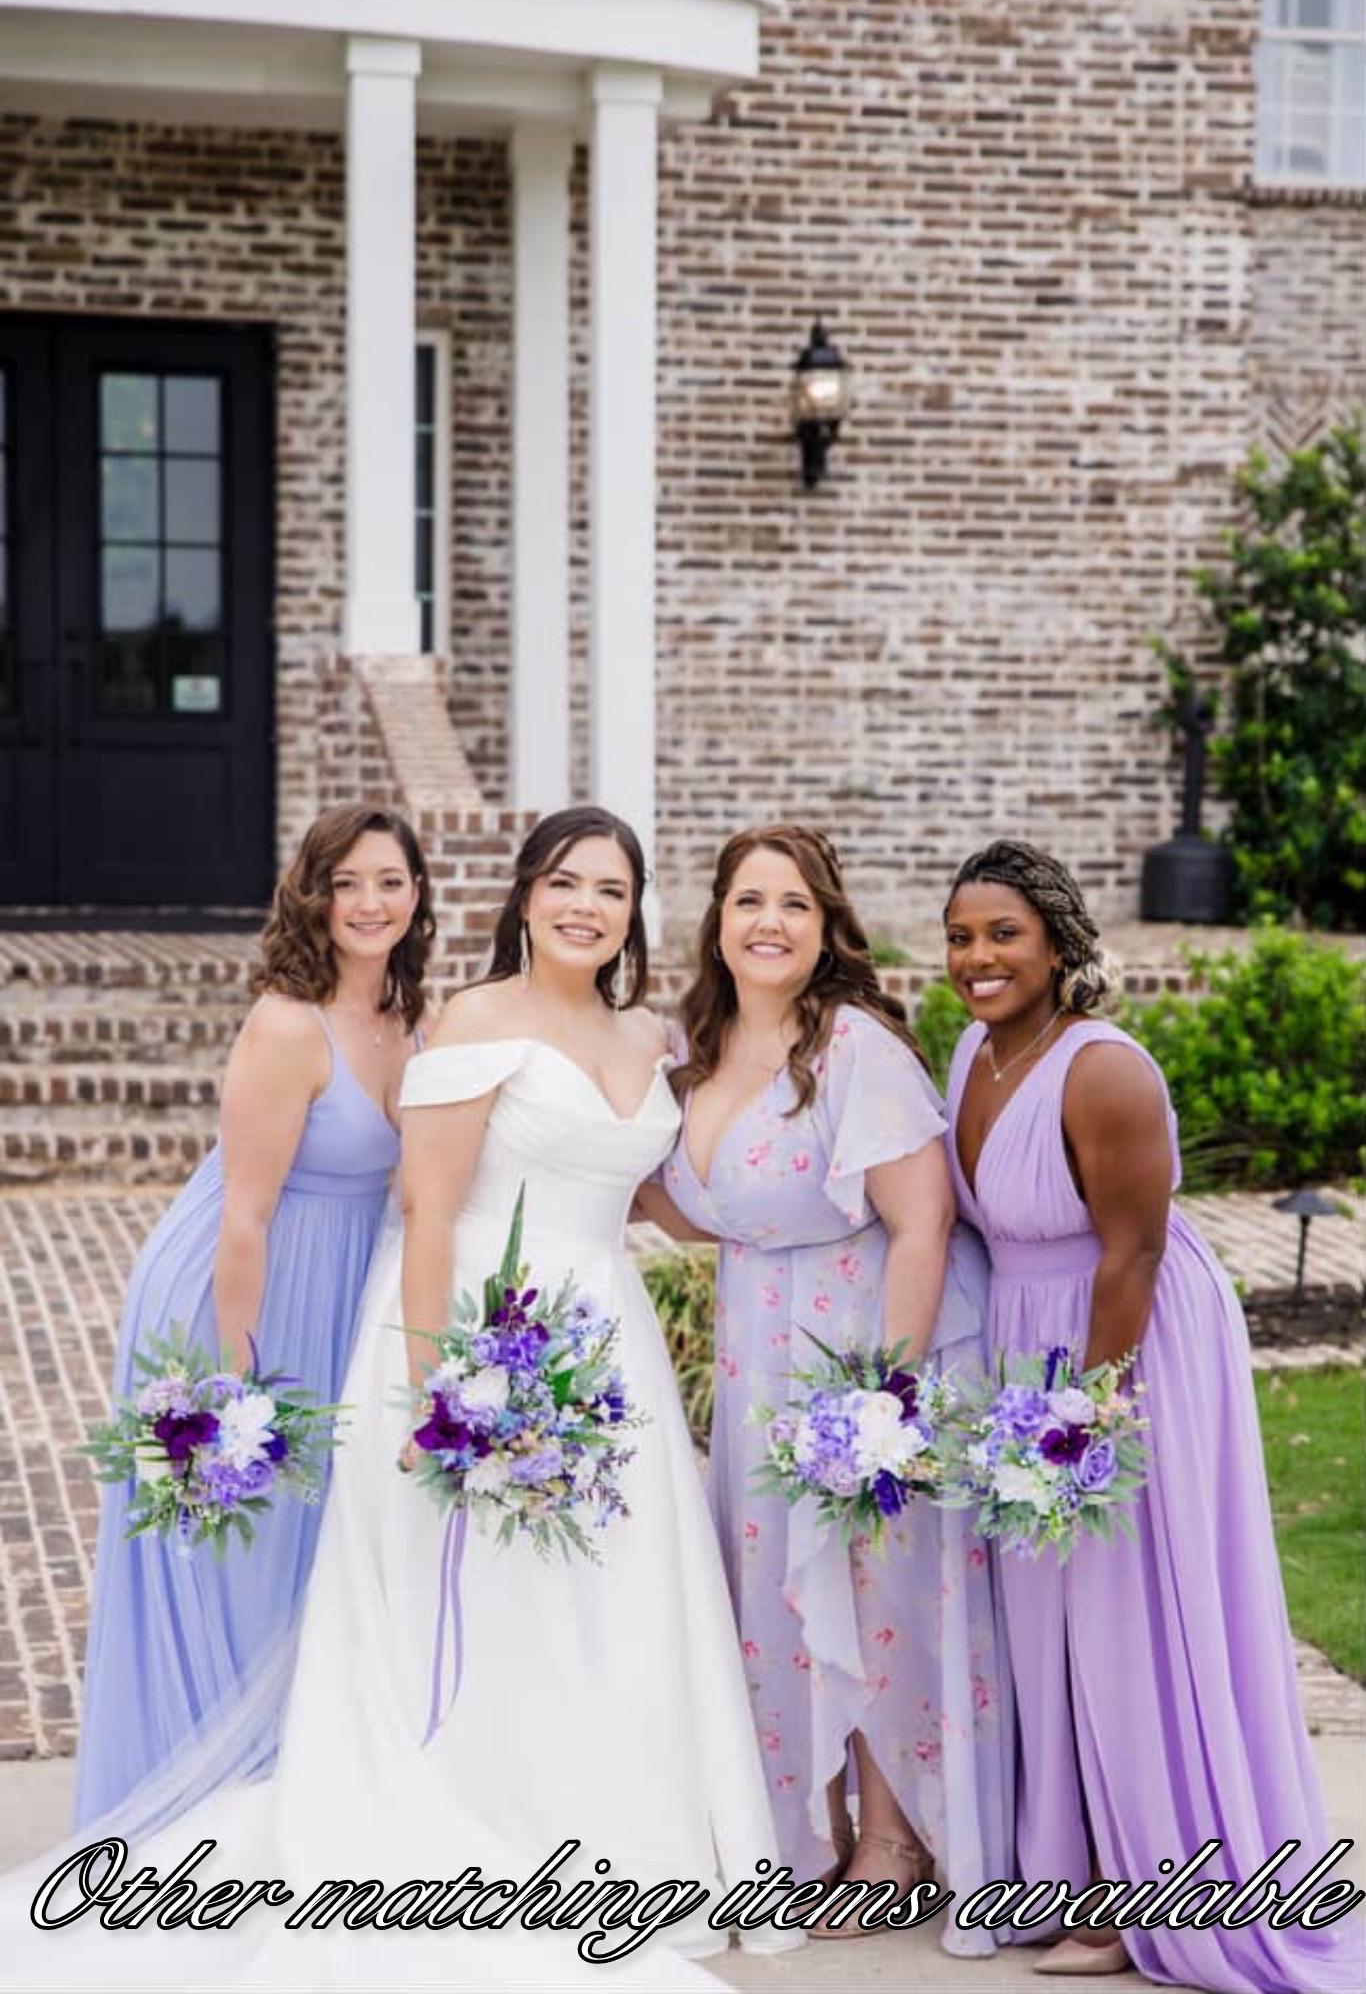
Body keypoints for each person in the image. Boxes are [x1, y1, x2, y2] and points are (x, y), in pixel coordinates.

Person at [0, 807, 789, 1994]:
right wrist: (437, 1381)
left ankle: (626, 1836)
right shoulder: (465, 1022)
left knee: (611, 1591)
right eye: (565, 881)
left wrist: (777, 1240)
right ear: (523, 895)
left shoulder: (641, 1030)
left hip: (601, 1334)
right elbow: (421, 1207)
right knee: (435, 1589)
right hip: (469, 1326)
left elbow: (650, 1190)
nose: (587, 904)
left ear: (636, 911)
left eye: (613, 889)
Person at [942, 838, 1363, 1990]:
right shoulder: (974, 1052)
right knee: (1045, 1623)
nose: (976, 956)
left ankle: (1150, 1890)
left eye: (1002, 934)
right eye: (961, 936)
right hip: (1026, 1349)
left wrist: (1084, 1419)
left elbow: (1128, 1252)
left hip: (1120, 1343)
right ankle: (1068, 1864)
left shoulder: (1102, 1067)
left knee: (1124, 1619)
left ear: (1058, 941)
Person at [642, 824, 1012, 1954]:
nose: (768, 921)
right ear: (716, 918)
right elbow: (685, 1203)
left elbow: (921, 1222)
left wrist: (884, 1403)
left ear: (825, 925)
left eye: (793, 904)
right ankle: (814, 1823)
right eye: (748, 899)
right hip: (758, 1346)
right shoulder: (692, 1050)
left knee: (873, 1583)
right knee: (781, 1598)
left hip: (863, 1344)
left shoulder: (856, 1048)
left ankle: (895, 1839)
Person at [74, 801, 431, 1828]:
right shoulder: (288, 1021)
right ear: (312, 896)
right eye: (348, 881)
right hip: (238, 1294)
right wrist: (236, 1392)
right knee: (236, 1545)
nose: (369, 902)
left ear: (417, 895)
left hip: (338, 1290)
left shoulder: (409, 1018)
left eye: (390, 880)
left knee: (307, 1554)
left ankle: (283, 1793)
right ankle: (189, 1810)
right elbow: (242, 1212)